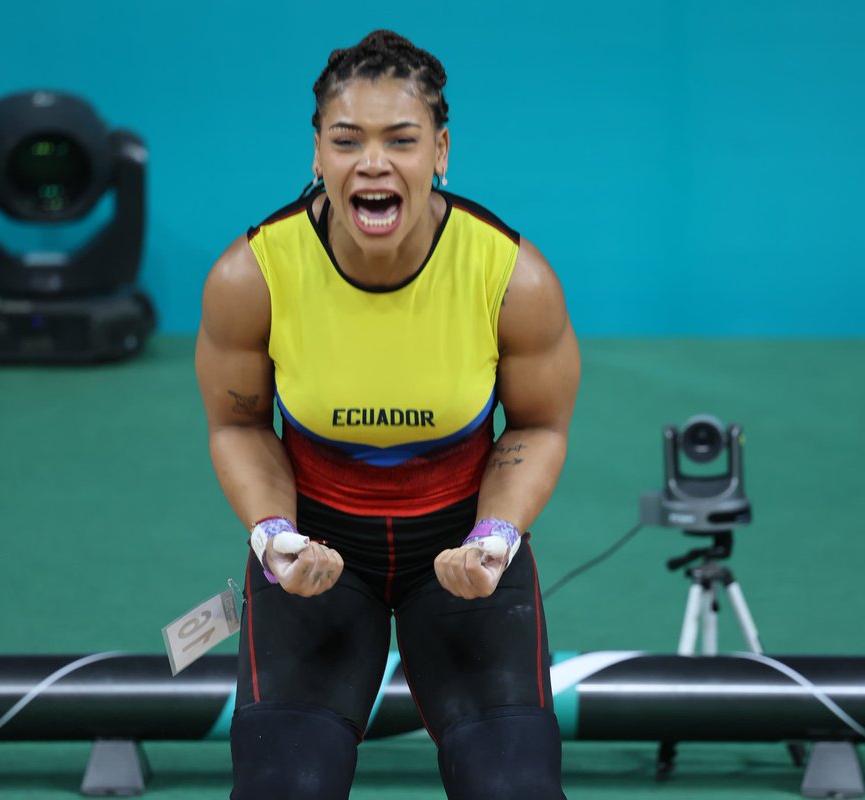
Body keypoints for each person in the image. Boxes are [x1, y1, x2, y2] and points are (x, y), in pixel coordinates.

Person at [195, 29, 579, 800]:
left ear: (440, 150)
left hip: (465, 559)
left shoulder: (512, 276)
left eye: (400, 140)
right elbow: (239, 426)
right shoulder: (253, 274)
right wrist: (274, 541)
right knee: (283, 790)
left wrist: (495, 541)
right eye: (347, 140)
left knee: (514, 790)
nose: (373, 163)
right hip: (313, 562)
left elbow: (536, 427)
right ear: (317, 155)